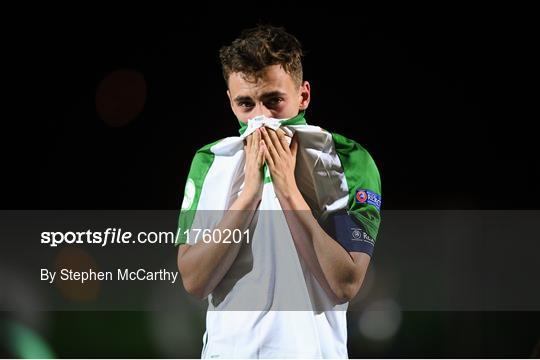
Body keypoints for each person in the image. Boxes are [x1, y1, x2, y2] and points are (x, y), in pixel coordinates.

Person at [175, 24, 382, 358]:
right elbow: (194, 281)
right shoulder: (211, 162)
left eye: (274, 102)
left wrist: (288, 191)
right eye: (246, 105)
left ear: (303, 96)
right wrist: (248, 196)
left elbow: (346, 284)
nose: (261, 119)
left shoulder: (349, 160)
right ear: (230, 102)